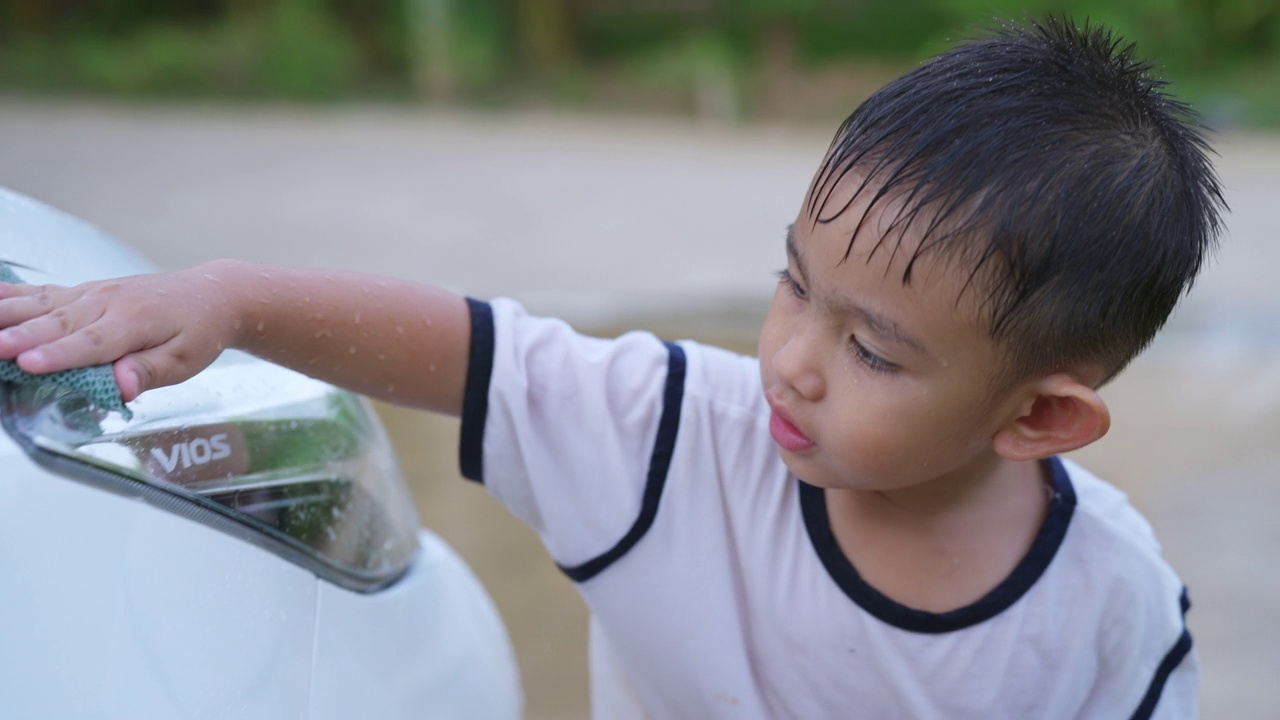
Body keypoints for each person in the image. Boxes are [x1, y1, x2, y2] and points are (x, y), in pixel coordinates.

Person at [0, 17, 1222, 719]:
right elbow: (473, 350)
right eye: (792, 283)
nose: (789, 363)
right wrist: (231, 298)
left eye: (869, 351)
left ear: (1038, 419)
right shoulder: (679, 442)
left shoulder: (1102, 612)